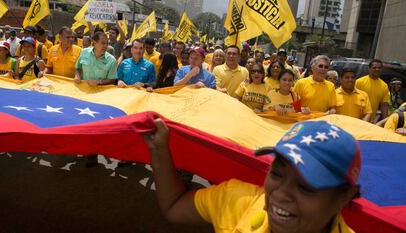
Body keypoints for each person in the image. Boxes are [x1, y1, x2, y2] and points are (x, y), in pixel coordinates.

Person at [142, 118, 361, 233]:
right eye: (276, 174)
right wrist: (158, 147)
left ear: (344, 196)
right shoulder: (235, 200)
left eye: (305, 187)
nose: (280, 194)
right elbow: (174, 207)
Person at [74, 31, 117, 166]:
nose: (105, 46)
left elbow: (112, 80)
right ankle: (81, 147)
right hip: (82, 95)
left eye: (107, 43)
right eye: (102, 43)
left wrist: (98, 82)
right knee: (80, 122)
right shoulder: (84, 52)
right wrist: (77, 76)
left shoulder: (111, 60)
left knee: (96, 126)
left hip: (100, 97)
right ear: (94, 42)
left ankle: (93, 153)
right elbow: (78, 67)